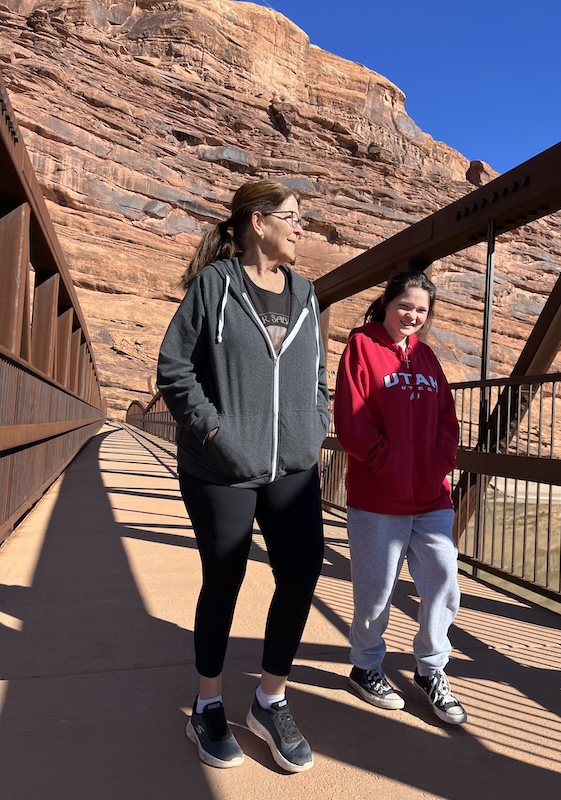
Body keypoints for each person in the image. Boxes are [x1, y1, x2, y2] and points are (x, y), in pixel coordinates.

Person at [157, 179, 330, 772]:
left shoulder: (307, 293)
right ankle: (207, 705)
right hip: (221, 467)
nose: (302, 228)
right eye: (293, 216)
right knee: (224, 579)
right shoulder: (214, 286)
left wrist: (313, 428)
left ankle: (269, 699)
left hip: (292, 466)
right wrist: (213, 434)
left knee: (303, 571)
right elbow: (174, 367)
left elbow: (316, 378)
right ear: (258, 222)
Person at [333, 270, 467, 725]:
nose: (413, 315)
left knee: (443, 582)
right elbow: (351, 418)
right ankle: (365, 666)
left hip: (431, 495)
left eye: (422, 310)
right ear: (387, 303)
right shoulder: (361, 347)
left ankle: (432, 669)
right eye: (406, 306)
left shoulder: (427, 357)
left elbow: (447, 418)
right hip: (378, 495)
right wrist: (386, 459)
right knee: (375, 591)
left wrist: (439, 461)